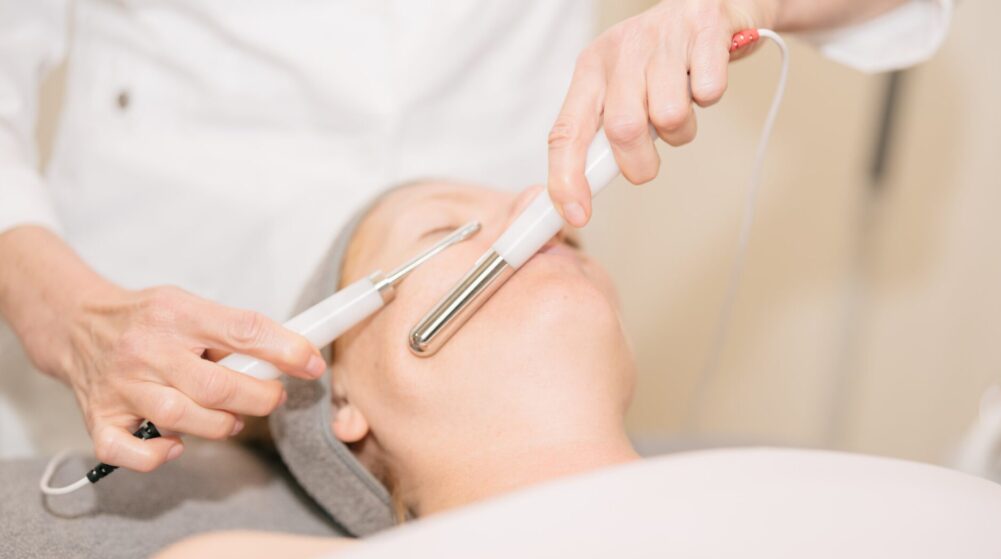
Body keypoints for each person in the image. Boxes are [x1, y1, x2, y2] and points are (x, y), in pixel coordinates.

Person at [91, 179, 1001, 559]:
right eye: (448, 226)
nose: (528, 220)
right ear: (340, 399)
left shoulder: (891, 504)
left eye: (553, 223)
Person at [0, 1, 952, 469]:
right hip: (126, 303)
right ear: (346, 409)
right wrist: (67, 315)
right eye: (447, 239)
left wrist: (736, 5)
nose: (504, 236)